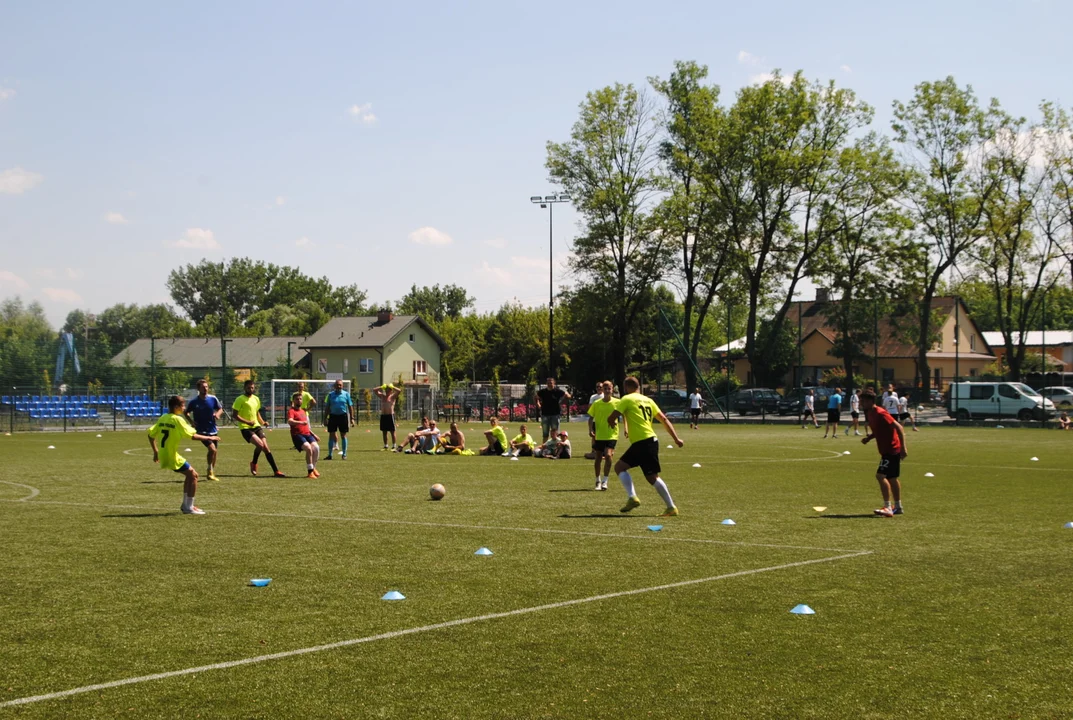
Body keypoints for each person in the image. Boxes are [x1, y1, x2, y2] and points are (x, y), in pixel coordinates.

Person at [608, 376, 684, 517]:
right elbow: (664, 419)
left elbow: (613, 416)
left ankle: (668, 506)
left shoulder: (627, 399)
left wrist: (611, 421)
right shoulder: (649, 400)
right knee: (629, 470)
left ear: (626, 387)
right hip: (649, 441)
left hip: (643, 441)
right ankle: (637, 499)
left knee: (644, 474)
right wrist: (676, 439)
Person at [148, 395, 219, 514]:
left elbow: (150, 435)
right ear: (176, 407)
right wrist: (209, 437)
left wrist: (156, 452)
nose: (184, 408)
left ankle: (186, 505)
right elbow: (193, 436)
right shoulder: (177, 419)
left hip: (166, 454)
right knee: (194, 475)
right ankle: (189, 507)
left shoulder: (163, 418)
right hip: (171, 456)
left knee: (190, 475)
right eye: (183, 406)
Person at [860, 389, 907, 517]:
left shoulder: (881, 413)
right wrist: (869, 438)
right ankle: (898, 507)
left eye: (863, 401)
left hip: (891, 449)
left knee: (880, 476)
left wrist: (903, 448)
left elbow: (899, 427)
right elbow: (879, 430)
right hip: (886, 449)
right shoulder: (870, 413)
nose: (861, 403)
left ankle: (887, 507)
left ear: (870, 401)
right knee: (892, 478)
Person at [232, 380, 285, 477]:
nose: (251, 389)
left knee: (266, 448)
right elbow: (234, 415)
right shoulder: (240, 399)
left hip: (256, 426)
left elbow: (257, 413)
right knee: (260, 445)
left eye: (252, 387)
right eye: (248, 387)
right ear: (244, 388)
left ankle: (276, 471)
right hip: (245, 428)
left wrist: (263, 422)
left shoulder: (256, 399)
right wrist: (247, 422)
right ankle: (254, 463)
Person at [184, 378, 223, 481]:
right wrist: (191, 422)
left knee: (214, 452)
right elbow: (186, 412)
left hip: (213, 429)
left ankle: (211, 472)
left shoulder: (213, 399)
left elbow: (220, 409)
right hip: (201, 431)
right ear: (198, 389)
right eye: (203, 387)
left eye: (206, 387)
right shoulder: (194, 402)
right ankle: (210, 472)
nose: (205, 389)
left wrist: (217, 415)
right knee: (212, 449)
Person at [587, 380, 621, 490]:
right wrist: (591, 429)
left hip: (612, 434)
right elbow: (591, 418)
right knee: (598, 458)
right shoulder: (597, 403)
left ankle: (605, 481)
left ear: (612, 390)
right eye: (605, 388)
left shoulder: (617, 402)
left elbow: (624, 415)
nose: (606, 390)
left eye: (608, 388)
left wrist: (626, 428)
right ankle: (598, 480)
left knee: (608, 455)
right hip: (599, 434)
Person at [287, 392, 321, 478]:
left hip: (307, 434)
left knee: (316, 448)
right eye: (297, 399)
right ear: (293, 401)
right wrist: (300, 422)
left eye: (300, 399)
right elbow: (290, 421)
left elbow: (306, 426)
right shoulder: (291, 411)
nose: (299, 400)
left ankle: (313, 468)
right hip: (297, 435)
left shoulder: (303, 411)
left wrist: (314, 434)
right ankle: (310, 472)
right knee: (308, 448)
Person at [323, 379, 355, 460]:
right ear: (334, 386)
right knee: (331, 435)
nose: (339, 386)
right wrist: (325, 418)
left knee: (343, 435)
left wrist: (352, 418)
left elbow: (350, 406)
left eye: (340, 385)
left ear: (342, 386)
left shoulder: (346, 394)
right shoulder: (330, 395)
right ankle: (330, 455)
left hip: (342, 417)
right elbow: (327, 407)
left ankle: (344, 454)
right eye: (337, 385)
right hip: (333, 416)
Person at [536, 378, 571, 444]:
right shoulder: (543, 392)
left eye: (551, 383)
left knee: (556, 433)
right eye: (548, 383)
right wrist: (538, 403)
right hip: (545, 415)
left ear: (554, 383)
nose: (550, 384)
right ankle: (544, 449)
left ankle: (556, 449)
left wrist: (567, 395)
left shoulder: (557, 391)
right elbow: (536, 396)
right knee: (545, 434)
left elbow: (568, 395)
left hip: (555, 415)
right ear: (546, 384)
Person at [375, 383, 402, 450]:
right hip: (383, 416)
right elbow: (374, 390)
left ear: (391, 391)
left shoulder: (392, 396)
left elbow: (399, 391)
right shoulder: (382, 396)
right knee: (384, 432)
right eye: (386, 390)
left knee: (392, 431)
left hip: (390, 416)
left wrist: (392, 387)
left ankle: (394, 445)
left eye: (388, 390)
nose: (387, 391)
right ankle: (386, 446)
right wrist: (381, 387)